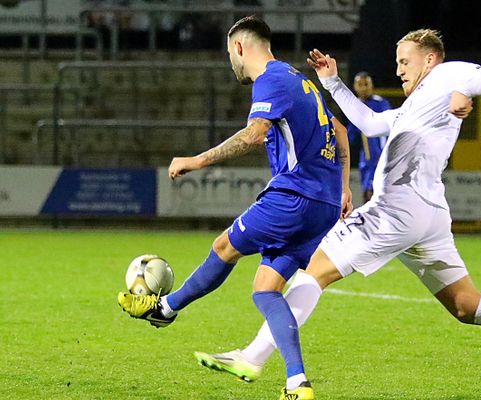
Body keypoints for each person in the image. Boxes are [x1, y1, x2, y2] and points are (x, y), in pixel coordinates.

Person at [191, 29, 481, 389]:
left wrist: (467, 90)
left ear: (430, 58)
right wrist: (332, 82)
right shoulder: (417, 102)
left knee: (314, 269)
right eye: (397, 62)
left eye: (405, 61)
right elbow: (369, 123)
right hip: (428, 214)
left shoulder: (448, 75)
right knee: (467, 306)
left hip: (397, 208)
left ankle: (254, 357)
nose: (400, 69)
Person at [117, 15, 352, 400]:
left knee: (224, 246)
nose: (232, 62)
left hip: (294, 197)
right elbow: (340, 132)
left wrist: (197, 160)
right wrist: (343, 189)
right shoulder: (302, 81)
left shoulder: (271, 80)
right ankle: (297, 383)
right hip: (322, 205)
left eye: (231, 54)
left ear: (240, 47)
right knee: (265, 290)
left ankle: (166, 308)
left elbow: (254, 134)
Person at [346, 72, 391, 203]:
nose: (364, 88)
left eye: (366, 84)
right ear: (354, 87)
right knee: (367, 192)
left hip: (381, 155)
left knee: (379, 193)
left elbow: (387, 128)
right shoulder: (355, 106)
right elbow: (352, 136)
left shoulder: (381, 103)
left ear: (372, 85)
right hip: (366, 157)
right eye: (360, 84)